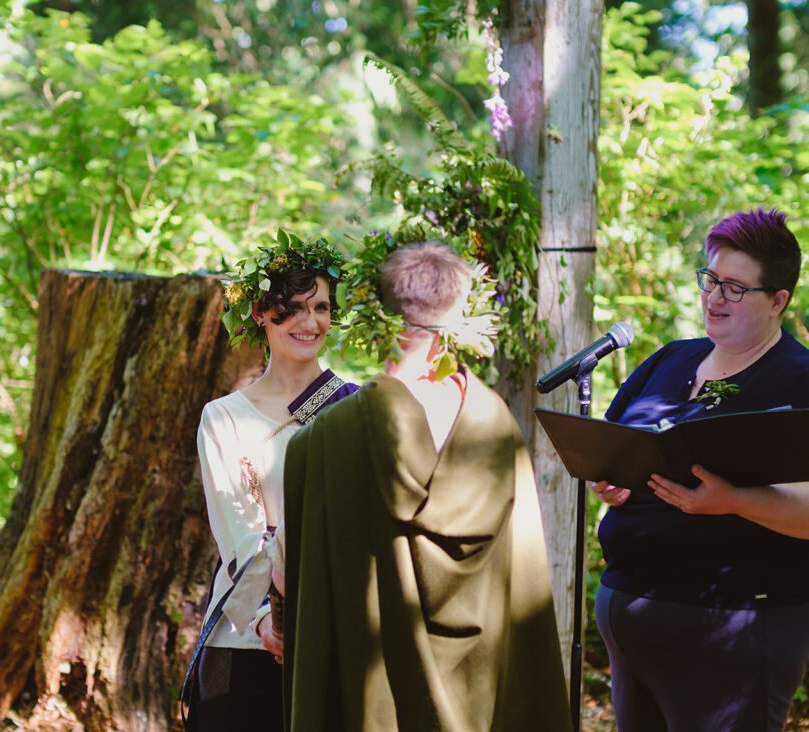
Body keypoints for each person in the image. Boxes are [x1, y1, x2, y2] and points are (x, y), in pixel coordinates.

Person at [275, 240, 572, 732]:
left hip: (373, 705)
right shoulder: (495, 426)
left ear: (382, 312)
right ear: (459, 315)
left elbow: (290, 577)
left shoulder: (322, 441)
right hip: (482, 700)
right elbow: (521, 584)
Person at [590, 208, 809, 732]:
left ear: (778, 300)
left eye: (734, 288)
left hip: (733, 631)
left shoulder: (798, 382)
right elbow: (616, 446)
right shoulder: (670, 359)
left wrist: (733, 500)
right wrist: (610, 479)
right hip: (631, 615)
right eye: (710, 279)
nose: (713, 297)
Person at [185, 233, 358, 732]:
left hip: (335, 636)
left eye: (321, 307)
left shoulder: (354, 407)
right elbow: (237, 529)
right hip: (246, 636)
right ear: (260, 312)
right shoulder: (224, 418)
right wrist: (267, 618)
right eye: (295, 309)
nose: (311, 323)